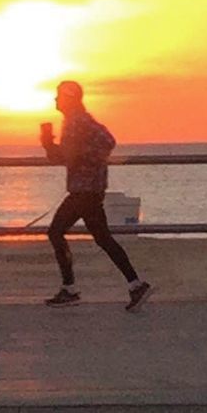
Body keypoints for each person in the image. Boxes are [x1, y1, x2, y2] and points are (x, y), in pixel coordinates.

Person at [40, 80, 152, 310]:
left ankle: (70, 289)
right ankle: (135, 284)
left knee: (56, 232)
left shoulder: (76, 122)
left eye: (59, 96)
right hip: (89, 190)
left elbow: (70, 155)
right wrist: (57, 148)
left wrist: (50, 144)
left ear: (69, 98)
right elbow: (95, 146)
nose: (55, 100)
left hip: (84, 191)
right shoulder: (79, 120)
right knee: (102, 238)